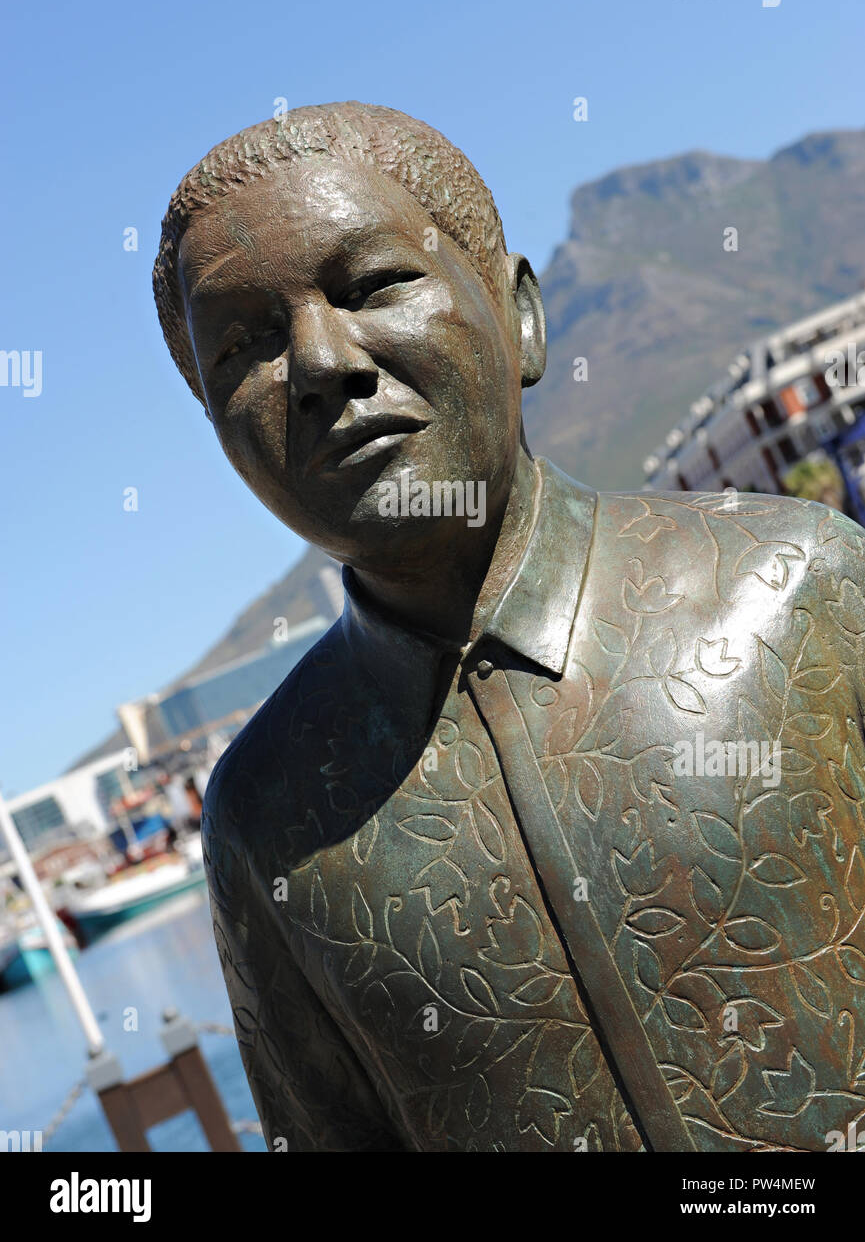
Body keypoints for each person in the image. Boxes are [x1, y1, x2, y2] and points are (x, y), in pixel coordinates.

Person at [154, 102, 865, 1151]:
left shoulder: (805, 585)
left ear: (519, 317)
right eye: (245, 347)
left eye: (371, 286)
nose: (319, 362)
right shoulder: (267, 820)